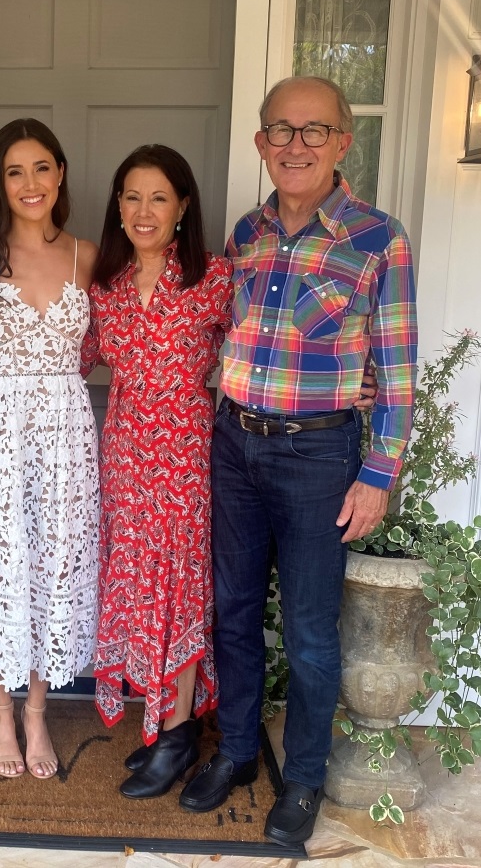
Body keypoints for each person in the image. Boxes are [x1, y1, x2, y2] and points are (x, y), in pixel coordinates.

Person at [178, 76, 417, 847]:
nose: (296, 145)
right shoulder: (246, 233)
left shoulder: (378, 239)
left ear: (343, 142)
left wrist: (378, 473)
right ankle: (240, 754)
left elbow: (398, 369)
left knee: (311, 630)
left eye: (314, 131)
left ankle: (304, 777)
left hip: (319, 454)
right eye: (281, 130)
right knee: (234, 612)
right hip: (233, 442)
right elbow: (219, 335)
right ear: (260, 143)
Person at [0, 119, 100, 780]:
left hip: (65, 430)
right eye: (14, 171)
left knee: (53, 561)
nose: (30, 183)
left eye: (41, 167)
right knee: (4, 560)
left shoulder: (87, 256)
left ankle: (37, 708)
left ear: (60, 173)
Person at [80, 145, 233, 799]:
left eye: (158, 198)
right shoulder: (104, 288)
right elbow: (68, 354)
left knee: (180, 585)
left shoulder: (215, 279)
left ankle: (176, 732)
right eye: (131, 196)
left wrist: (353, 379)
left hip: (184, 458)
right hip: (123, 456)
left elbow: (270, 341)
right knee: (138, 582)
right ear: (117, 205)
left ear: (182, 207)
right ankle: (162, 726)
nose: (143, 211)